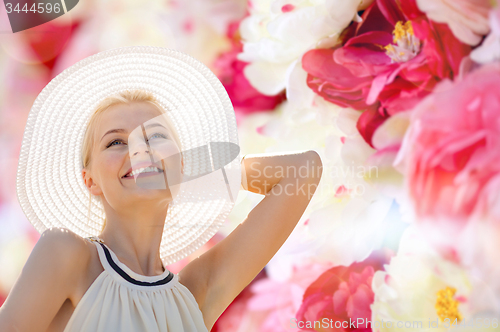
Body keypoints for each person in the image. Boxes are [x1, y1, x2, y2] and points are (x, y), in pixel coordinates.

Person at [0, 47, 322, 331]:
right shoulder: (66, 253)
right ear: (90, 180)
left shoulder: (197, 294)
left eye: (154, 137)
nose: (140, 150)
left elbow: (304, 170)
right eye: (116, 141)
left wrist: (181, 171)